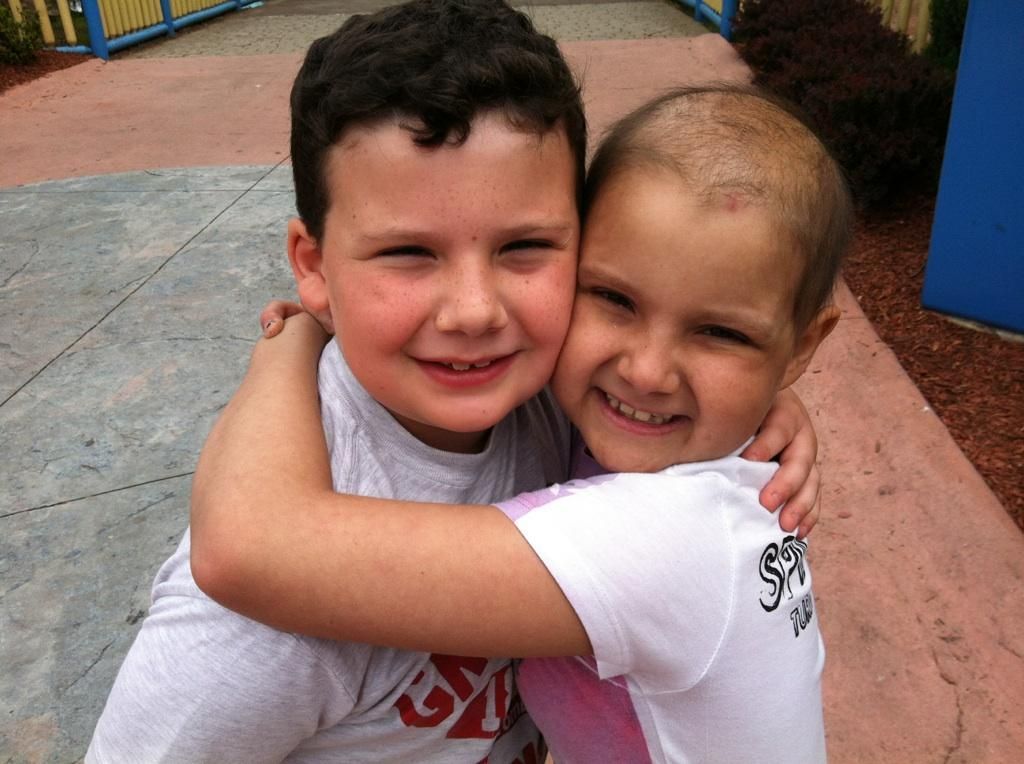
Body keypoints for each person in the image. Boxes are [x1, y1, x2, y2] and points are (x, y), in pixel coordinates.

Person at [88, 0, 820, 759]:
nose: (474, 313)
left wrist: (765, 390)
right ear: (313, 265)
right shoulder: (253, 631)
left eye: (527, 246)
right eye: (408, 253)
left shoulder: (564, 398)